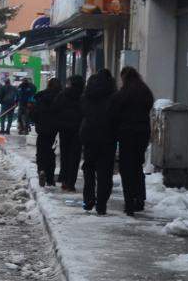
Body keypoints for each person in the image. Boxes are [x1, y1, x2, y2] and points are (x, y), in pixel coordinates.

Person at [110, 66, 155, 216]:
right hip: (142, 132)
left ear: (123, 78)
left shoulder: (122, 94)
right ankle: (140, 199)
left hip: (126, 134)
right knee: (137, 166)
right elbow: (149, 107)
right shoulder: (145, 91)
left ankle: (129, 202)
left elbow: (114, 114)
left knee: (126, 168)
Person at [79, 69, 117, 214]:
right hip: (108, 137)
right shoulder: (114, 97)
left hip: (89, 136)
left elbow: (82, 112)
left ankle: (88, 198)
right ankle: (101, 204)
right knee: (105, 172)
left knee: (88, 168)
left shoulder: (86, 96)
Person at [52, 75, 84, 192]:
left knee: (65, 154)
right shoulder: (83, 96)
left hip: (64, 129)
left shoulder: (63, 95)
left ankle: (64, 179)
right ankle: (71, 182)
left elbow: (55, 109)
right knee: (75, 156)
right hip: (78, 130)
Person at [31, 77, 62, 186]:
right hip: (54, 129)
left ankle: (41, 170)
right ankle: (50, 178)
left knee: (41, 152)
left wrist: (36, 121)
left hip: (42, 128)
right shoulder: (61, 97)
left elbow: (33, 113)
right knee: (50, 152)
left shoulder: (40, 96)